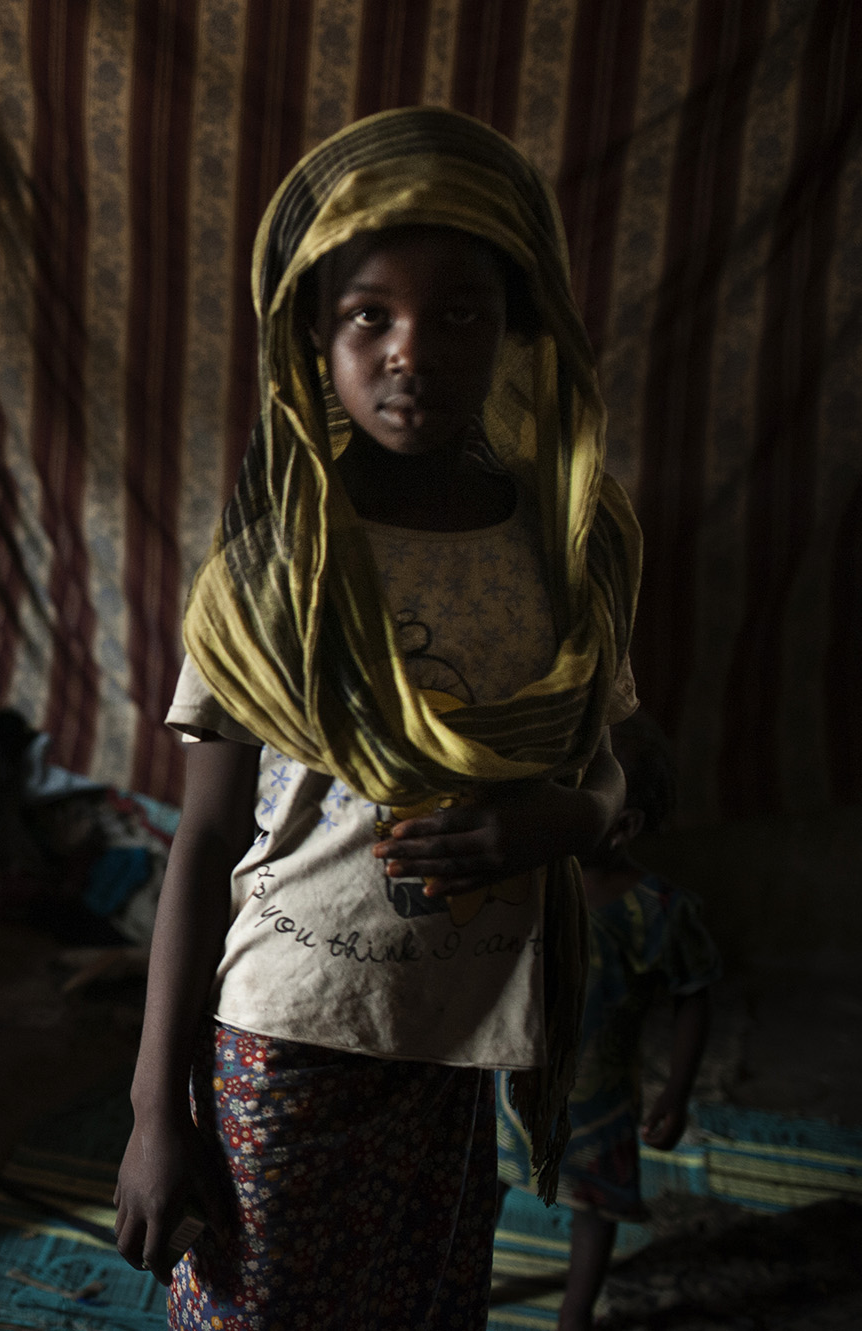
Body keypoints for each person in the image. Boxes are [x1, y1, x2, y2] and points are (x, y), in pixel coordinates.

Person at [112, 106, 644, 1329]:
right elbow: (201, 840)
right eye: (369, 316)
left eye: (457, 313)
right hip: (286, 1038)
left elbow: (603, 767)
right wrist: (153, 1113)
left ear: (517, 325)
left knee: (421, 1305)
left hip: (462, 1039)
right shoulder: (271, 571)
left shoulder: (563, 550)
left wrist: (559, 819)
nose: (412, 350)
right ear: (311, 331)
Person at [496, 711, 719, 1330]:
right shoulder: (529, 881)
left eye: (573, 800)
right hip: (506, 1090)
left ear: (620, 827)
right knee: (480, 1184)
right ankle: (464, 1283)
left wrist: (675, 1093)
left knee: (593, 1207)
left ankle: (576, 1315)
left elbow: (695, 995)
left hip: (595, 1103)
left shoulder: (657, 912)